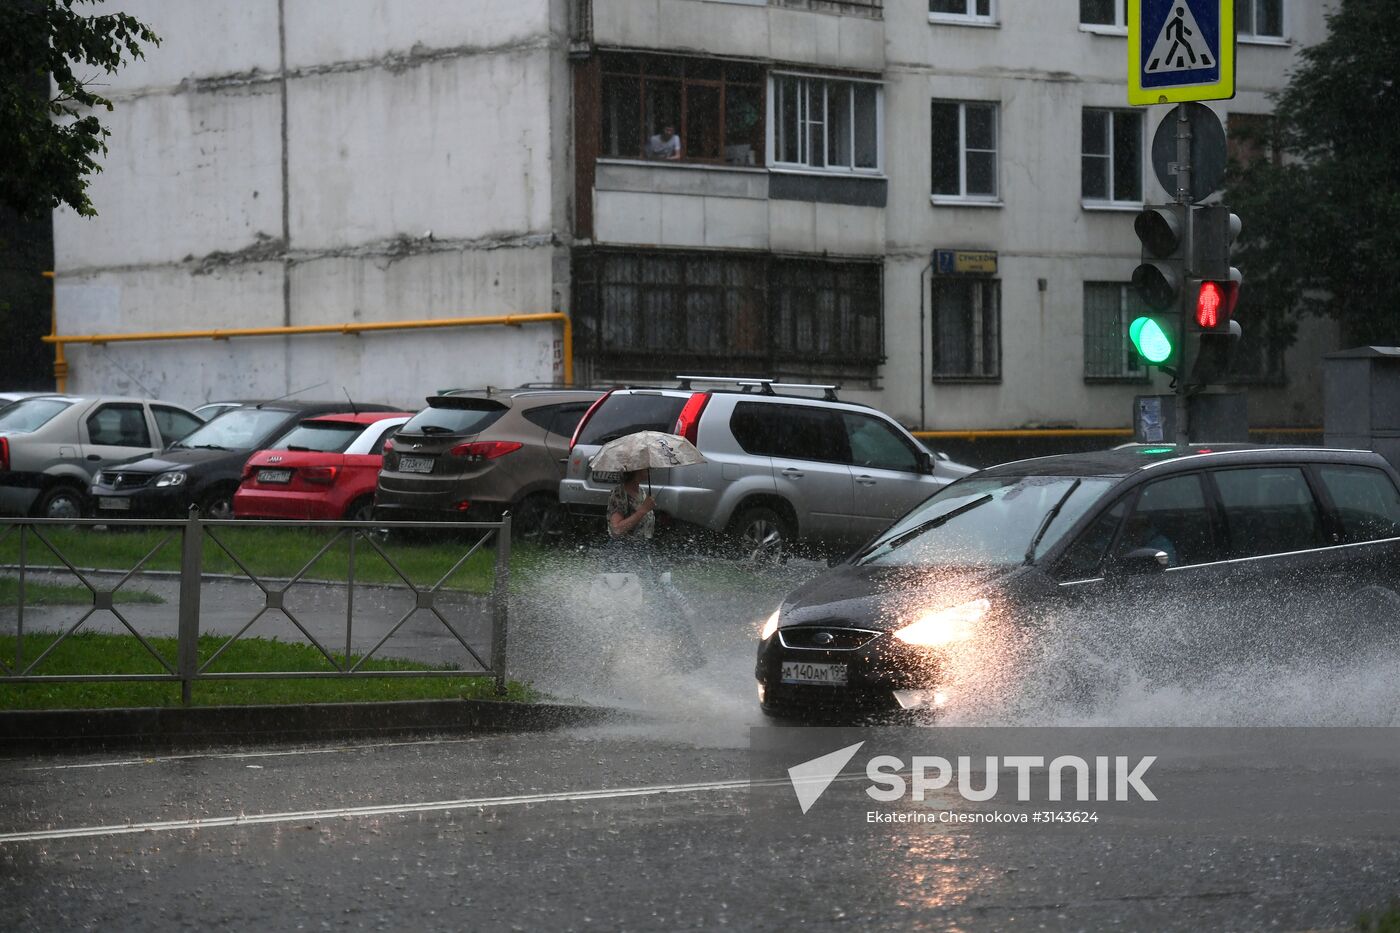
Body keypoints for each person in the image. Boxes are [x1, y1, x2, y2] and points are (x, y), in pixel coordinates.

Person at [602, 467, 703, 670]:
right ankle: (612, 661)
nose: (650, 469)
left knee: (665, 605)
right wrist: (642, 510)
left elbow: (645, 533)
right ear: (635, 469)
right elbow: (617, 529)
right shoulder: (619, 493)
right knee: (631, 611)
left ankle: (683, 656)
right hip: (623, 562)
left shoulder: (643, 494)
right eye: (645, 466)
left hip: (643, 559)